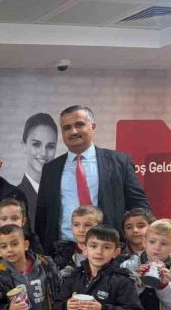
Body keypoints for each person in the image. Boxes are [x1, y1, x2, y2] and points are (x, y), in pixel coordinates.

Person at [35, 105, 150, 254]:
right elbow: (42, 216)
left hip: (108, 251)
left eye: (79, 125)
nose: (73, 131)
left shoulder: (120, 162)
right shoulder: (51, 169)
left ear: (93, 127)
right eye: (67, 128)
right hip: (63, 253)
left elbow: (139, 206)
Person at [18, 113, 58, 230]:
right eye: (36, 144)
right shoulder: (13, 197)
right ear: (24, 146)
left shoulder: (64, 194)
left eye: (50, 146)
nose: (43, 153)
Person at [54, 205, 103, 281]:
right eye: (76, 225)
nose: (81, 230)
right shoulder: (61, 255)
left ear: (99, 227)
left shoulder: (106, 255)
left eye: (87, 225)